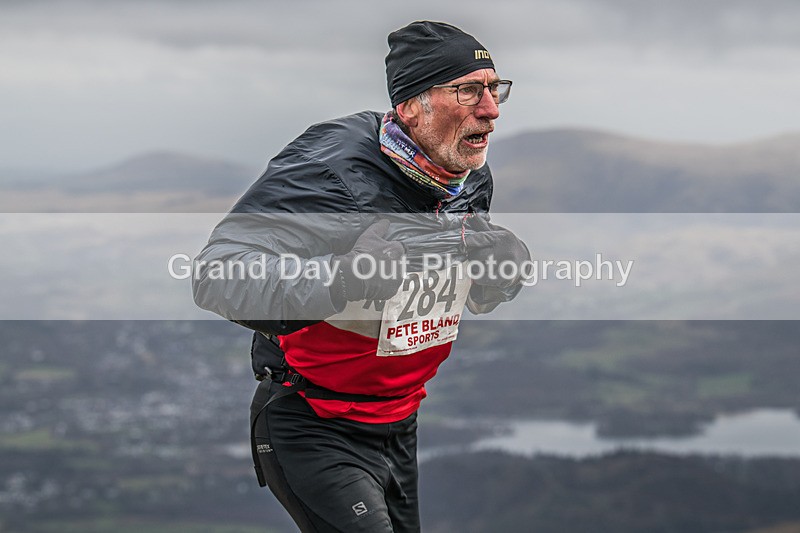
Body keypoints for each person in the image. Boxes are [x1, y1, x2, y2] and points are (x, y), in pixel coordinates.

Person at [193, 20, 529, 532]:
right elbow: (217, 274)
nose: (492, 108)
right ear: (413, 105)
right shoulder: (329, 169)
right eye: (469, 90)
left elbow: (466, 286)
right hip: (314, 422)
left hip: (400, 420)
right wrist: (343, 280)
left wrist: (504, 268)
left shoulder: (465, 172)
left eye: (494, 88)